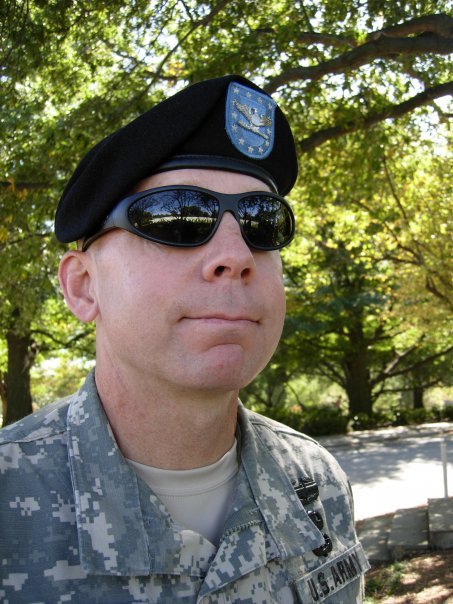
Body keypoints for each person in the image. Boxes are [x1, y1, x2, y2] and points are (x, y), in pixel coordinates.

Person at [0, 75, 369, 603]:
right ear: (83, 286)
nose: (236, 255)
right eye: (179, 217)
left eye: (262, 223)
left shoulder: (316, 482)